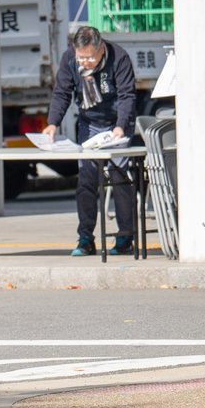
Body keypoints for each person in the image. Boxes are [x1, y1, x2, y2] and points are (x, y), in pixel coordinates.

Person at [47, 24, 140, 257]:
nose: (84, 62)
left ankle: (125, 236)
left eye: (89, 57)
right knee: (86, 179)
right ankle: (86, 238)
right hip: (89, 123)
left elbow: (127, 95)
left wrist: (120, 126)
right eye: (81, 57)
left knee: (120, 176)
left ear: (100, 50)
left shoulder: (118, 57)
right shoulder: (70, 59)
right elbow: (62, 93)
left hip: (117, 124)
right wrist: (52, 123)